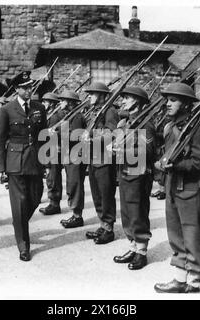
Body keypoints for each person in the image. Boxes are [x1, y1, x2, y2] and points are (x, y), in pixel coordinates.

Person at [154, 82, 200, 293]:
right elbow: (167, 153)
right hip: (172, 186)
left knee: (192, 233)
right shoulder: (170, 127)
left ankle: (193, 279)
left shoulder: (199, 129)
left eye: (173, 100)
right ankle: (180, 277)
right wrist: (161, 162)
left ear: (186, 104)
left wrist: (176, 165)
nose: (168, 104)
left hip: (191, 188)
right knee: (176, 234)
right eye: (167, 99)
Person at [0, 70, 46, 261]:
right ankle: (23, 245)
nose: (29, 90)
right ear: (16, 89)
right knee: (19, 203)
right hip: (15, 162)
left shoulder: (40, 107)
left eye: (30, 86)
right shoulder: (7, 109)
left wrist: (46, 161)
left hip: (35, 160)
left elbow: (43, 136)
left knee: (35, 197)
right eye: (25, 88)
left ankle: (20, 222)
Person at [112, 86, 155, 270]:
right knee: (127, 213)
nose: (123, 101)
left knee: (138, 213)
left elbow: (149, 151)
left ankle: (142, 252)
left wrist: (122, 150)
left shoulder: (146, 123)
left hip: (139, 174)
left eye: (127, 98)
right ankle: (133, 246)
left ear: (137, 101)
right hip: (125, 172)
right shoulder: (126, 122)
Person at [83, 82, 119, 244]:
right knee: (97, 194)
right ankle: (102, 224)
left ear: (103, 96)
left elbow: (111, 133)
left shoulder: (110, 111)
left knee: (106, 194)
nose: (89, 96)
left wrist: (92, 139)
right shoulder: (95, 111)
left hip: (104, 159)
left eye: (93, 93)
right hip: (93, 158)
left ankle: (109, 229)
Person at [57, 90, 88, 228]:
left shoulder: (77, 117)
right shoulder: (68, 116)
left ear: (69, 102)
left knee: (75, 185)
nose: (60, 102)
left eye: (63, 100)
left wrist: (57, 134)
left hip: (76, 155)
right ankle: (75, 213)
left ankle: (77, 216)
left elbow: (75, 136)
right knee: (71, 184)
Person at [39, 92, 64, 215]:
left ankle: (55, 204)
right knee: (50, 177)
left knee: (53, 178)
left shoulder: (57, 115)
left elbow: (63, 132)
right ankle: (52, 202)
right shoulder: (49, 114)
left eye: (46, 102)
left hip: (54, 151)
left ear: (52, 103)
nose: (44, 104)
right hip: (48, 149)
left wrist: (52, 133)